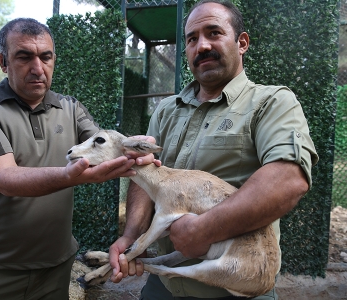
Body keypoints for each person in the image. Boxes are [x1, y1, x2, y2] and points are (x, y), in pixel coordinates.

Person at [108, 0, 319, 299]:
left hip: (233, 288)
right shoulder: (166, 110)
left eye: (214, 33)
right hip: (164, 286)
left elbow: (288, 179)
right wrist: (131, 237)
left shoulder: (271, 102)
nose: (202, 45)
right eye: (192, 39)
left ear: (241, 42)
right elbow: (145, 175)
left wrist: (202, 232)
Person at [0, 18, 158, 300]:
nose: (38, 68)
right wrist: (68, 175)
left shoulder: (71, 108)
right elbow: (6, 178)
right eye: (24, 57)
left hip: (55, 270)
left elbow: (105, 145)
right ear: (2, 61)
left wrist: (134, 148)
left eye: (45, 57)